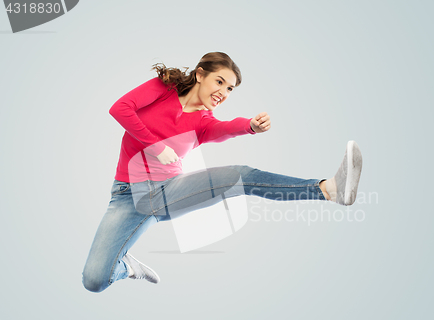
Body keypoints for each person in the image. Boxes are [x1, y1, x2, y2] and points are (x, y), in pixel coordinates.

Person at [82, 52, 363, 293]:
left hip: (169, 191)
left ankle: (326, 189)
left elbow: (227, 127)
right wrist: (156, 147)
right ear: (200, 74)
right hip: (126, 196)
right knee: (94, 280)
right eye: (220, 82)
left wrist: (250, 126)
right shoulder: (163, 88)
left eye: (230, 89)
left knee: (241, 175)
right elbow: (120, 109)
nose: (223, 93)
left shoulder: (203, 123)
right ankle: (128, 266)